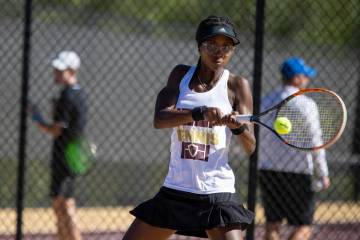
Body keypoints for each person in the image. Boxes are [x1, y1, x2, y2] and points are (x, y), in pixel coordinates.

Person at [123, 15, 256, 240]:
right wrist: (199, 112)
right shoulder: (180, 75)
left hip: (217, 193)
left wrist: (237, 127)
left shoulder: (237, 85)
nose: (220, 52)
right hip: (176, 190)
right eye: (212, 45)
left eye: (227, 46)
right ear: (199, 47)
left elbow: (251, 146)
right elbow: (161, 119)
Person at [258, 57, 331, 240]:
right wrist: (322, 172)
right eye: (305, 76)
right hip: (298, 171)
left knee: (272, 222)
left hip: (268, 169)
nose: (307, 80)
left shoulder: (265, 100)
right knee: (304, 225)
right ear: (297, 78)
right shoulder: (307, 104)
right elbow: (316, 141)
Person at [28, 51, 86, 240]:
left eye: (60, 70)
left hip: (64, 156)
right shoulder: (78, 94)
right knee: (60, 204)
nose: (55, 73)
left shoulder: (67, 96)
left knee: (65, 205)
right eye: (55, 69)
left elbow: (56, 130)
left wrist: (37, 118)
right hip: (70, 154)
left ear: (71, 70)